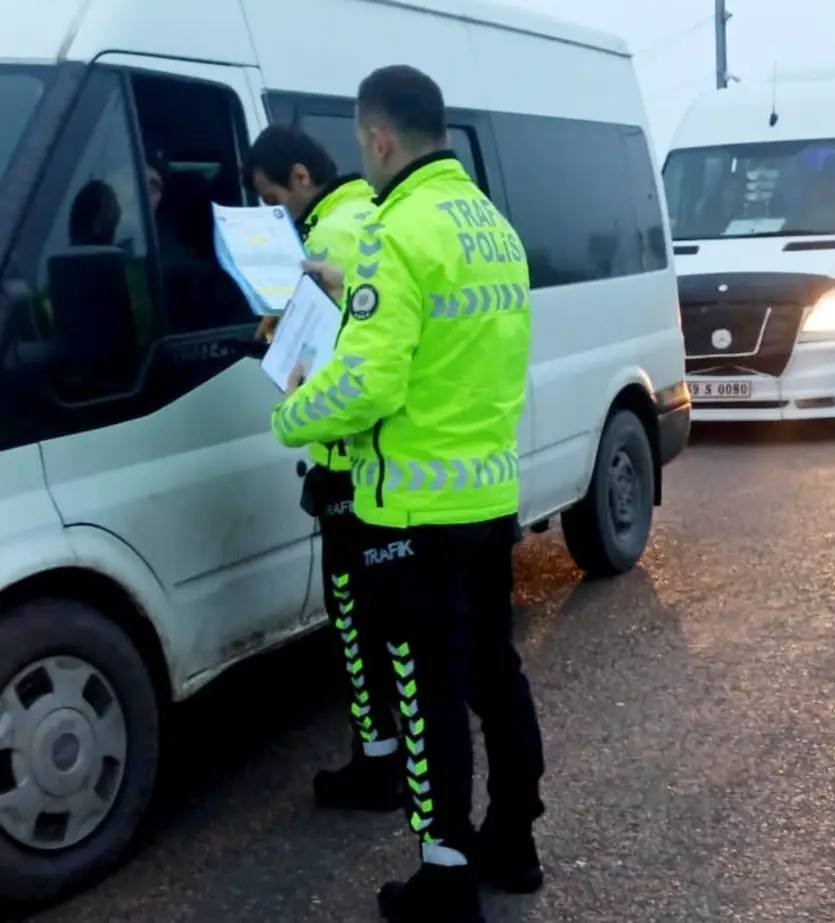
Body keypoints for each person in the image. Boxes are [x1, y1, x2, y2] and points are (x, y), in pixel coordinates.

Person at [269, 66, 546, 923]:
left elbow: (367, 385)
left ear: (378, 140)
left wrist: (293, 410)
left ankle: (444, 875)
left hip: (410, 518)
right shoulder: (492, 227)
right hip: (486, 497)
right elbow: (449, 358)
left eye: (363, 145)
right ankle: (513, 838)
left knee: (427, 693)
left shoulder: (396, 231)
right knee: (495, 672)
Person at [244, 127, 404, 811]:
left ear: (302, 176)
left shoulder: (326, 242)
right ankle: (401, 756)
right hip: (394, 463)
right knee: (394, 623)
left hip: (344, 465)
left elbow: (332, 367)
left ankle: (376, 762)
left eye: (273, 197)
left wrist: (282, 359)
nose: (275, 211)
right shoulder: (373, 213)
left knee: (354, 620)